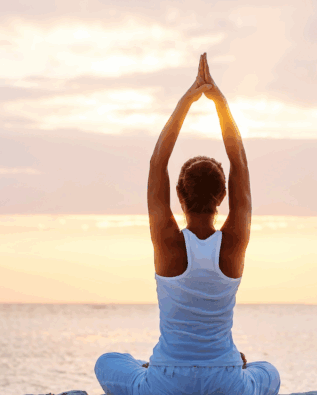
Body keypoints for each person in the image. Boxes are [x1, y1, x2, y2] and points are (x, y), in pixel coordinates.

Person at [95, 53, 280, 395]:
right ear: (223, 196)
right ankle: (233, 364)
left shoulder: (167, 242)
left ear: (179, 195)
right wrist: (219, 102)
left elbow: (157, 162)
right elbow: (239, 160)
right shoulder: (234, 242)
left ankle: (151, 368)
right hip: (225, 379)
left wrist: (188, 99)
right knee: (268, 371)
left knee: (107, 361)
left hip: (167, 380)